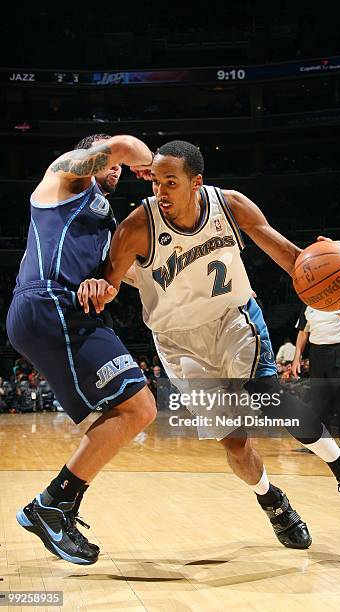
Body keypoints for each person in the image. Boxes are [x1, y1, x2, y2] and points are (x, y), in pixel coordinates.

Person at [78, 140, 340, 548]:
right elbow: (108, 283)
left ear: (197, 182)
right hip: (178, 345)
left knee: (267, 395)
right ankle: (271, 499)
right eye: (156, 182)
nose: (160, 192)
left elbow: (295, 261)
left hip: (233, 318)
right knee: (235, 442)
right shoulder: (137, 227)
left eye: (170, 182)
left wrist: (337, 257)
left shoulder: (230, 206)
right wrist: (96, 285)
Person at [6, 133, 157, 565]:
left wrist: (103, 284)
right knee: (139, 408)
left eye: (121, 167)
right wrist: (151, 165)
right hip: (47, 300)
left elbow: (115, 282)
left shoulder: (108, 221)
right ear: (90, 155)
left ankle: (55, 505)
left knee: (126, 414)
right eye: (110, 159)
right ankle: (52, 505)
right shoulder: (63, 179)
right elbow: (126, 145)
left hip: (66, 309)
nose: (117, 168)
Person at [291, 305, 340, 455]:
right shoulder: (307, 304)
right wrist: (296, 358)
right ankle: (323, 442)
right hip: (316, 352)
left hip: (338, 351)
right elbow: (303, 332)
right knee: (318, 399)